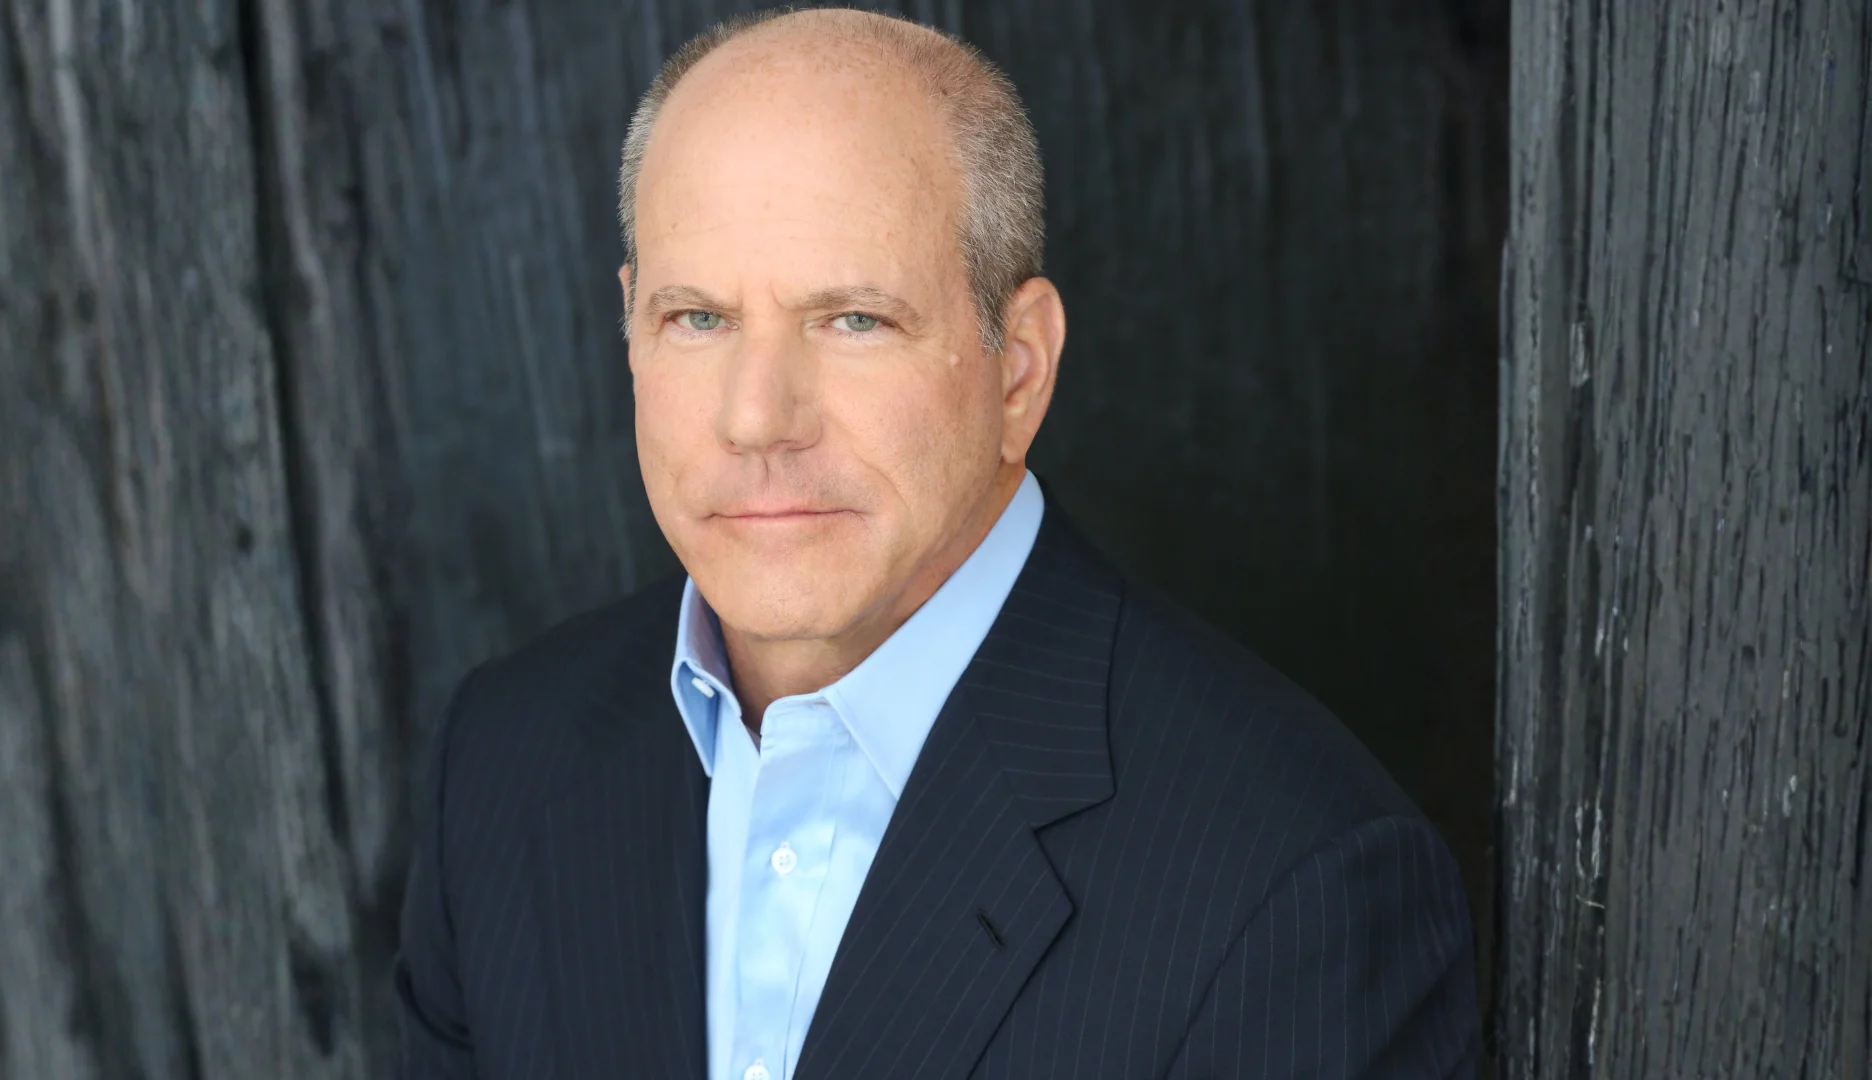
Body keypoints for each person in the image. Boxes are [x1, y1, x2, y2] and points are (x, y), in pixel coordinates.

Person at [393, 8, 1479, 1078]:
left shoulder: (1296, 888)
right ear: (630, 327)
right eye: (699, 319)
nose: (756, 418)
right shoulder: (501, 762)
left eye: (853, 320)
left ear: (1020, 369)